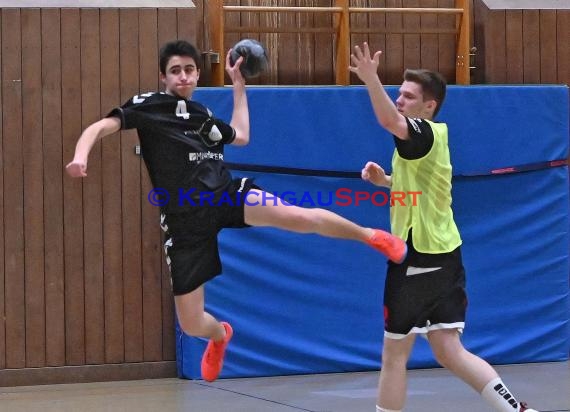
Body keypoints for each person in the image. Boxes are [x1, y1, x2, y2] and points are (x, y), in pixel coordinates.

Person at [66, 39, 407, 383]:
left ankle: (373, 237)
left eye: (188, 70)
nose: (183, 76)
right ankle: (220, 336)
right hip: (185, 221)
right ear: (164, 77)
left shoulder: (203, 117)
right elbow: (100, 127)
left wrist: (239, 85)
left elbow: (241, 136)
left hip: (226, 195)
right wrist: (81, 155)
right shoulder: (148, 106)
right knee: (192, 322)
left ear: (197, 74)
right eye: (175, 71)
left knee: (300, 217)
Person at [349, 42, 538, 412]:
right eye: (397, 93)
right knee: (449, 350)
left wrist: (370, 79)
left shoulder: (423, 132)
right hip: (447, 255)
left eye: (407, 96)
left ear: (428, 106)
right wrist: (386, 180)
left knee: (394, 353)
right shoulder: (433, 142)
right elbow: (425, 187)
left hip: (417, 255)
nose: (399, 100)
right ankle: (518, 410)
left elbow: (389, 120)